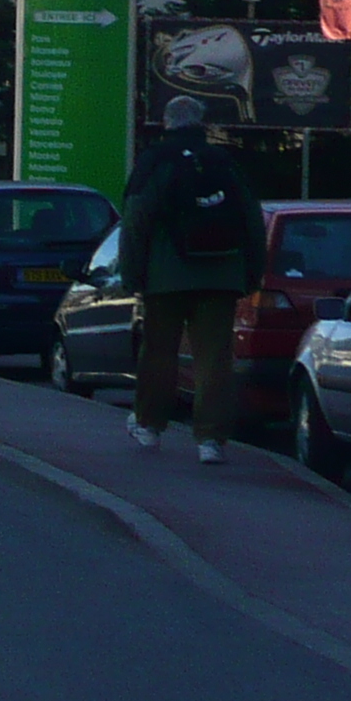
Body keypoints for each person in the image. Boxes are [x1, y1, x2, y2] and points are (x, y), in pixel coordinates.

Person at [117, 96, 268, 462]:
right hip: (221, 275)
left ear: (167, 122)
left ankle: (150, 426)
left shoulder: (155, 161)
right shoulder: (224, 161)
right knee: (214, 358)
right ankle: (210, 440)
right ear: (201, 122)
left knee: (158, 352)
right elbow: (251, 220)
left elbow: (137, 220)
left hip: (165, 275)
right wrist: (251, 274)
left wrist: (132, 273)